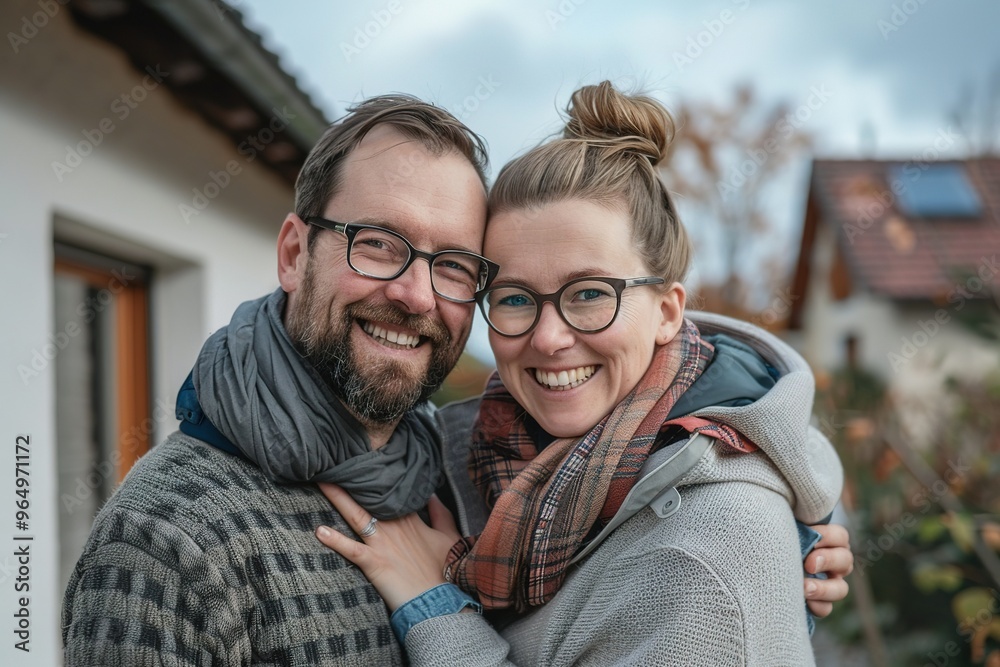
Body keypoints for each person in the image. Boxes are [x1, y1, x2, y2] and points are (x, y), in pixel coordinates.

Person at [62, 93, 850, 665]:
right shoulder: (168, 544)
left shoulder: (452, 475)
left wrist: (786, 537)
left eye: (449, 265)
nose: (413, 293)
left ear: (669, 310)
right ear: (296, 252)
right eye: (377, 242)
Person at [316, 81, 847, 666]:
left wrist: (436, 608)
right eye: (515, 299)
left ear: (667, 312)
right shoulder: (479, 455)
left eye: (590, 293)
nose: (548, 338)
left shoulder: (710, 552)